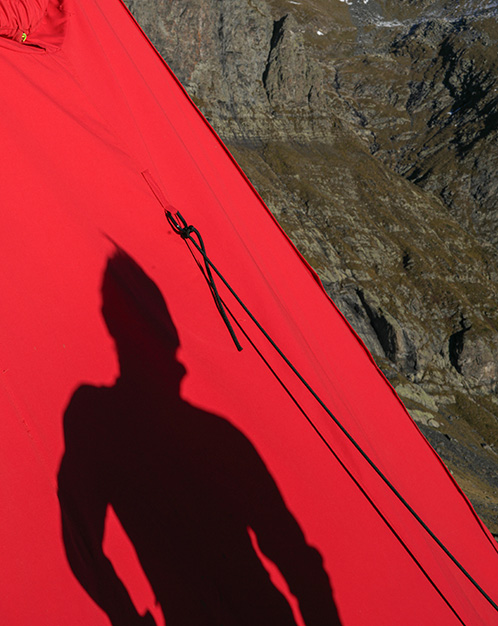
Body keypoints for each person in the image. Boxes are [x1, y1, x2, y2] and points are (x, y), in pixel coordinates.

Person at [58, 251, 343, 626]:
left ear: (109, 323)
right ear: (172, 338)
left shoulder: (95, 419)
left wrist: (124, 613)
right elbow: (297, 559)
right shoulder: (218, 435)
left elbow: (79, 531)